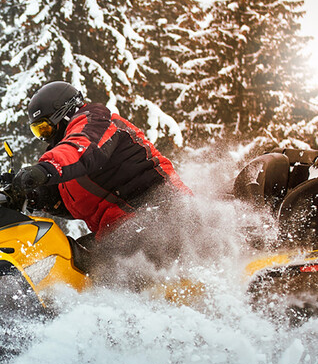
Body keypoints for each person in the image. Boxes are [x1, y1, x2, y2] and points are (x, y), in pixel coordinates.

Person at [11, 82, 190, 259]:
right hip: (123, 228)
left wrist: (42, 170)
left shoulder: (96, 120)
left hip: (162, 212)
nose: (45, 136)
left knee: (91, 269)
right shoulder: (68, 160)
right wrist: (32, 195)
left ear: (64, 114)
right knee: (63, 260)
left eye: (45, 128)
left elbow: (81, 147)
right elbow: (65, 198)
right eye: (38, 131)